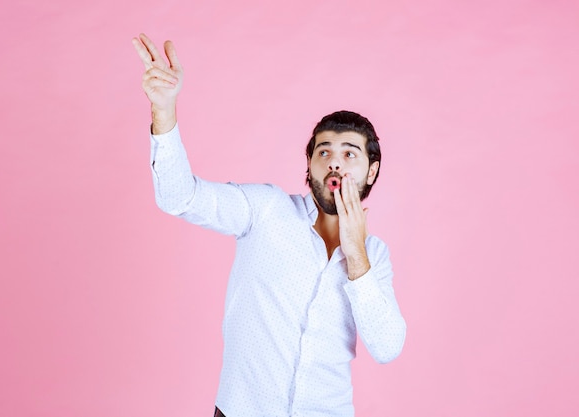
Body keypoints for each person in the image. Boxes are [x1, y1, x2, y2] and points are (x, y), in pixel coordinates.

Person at [132, 33, 406, 417]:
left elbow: (388, 346)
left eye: (349, 154)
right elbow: (179, 197)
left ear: (371, 170)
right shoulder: (265, 210)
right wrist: (164, 111)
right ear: (309, 163)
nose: (335, 163)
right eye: (324, 151)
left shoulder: (375, 256)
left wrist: (356, 253)